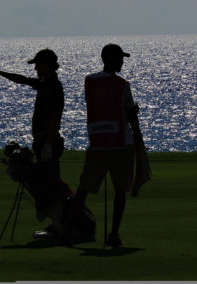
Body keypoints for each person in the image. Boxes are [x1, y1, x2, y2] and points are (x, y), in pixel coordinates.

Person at [63, 43, 146, 247]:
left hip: (98, 142)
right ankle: (114, 235)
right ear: (110, 59)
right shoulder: (122, 84)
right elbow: (128, 111)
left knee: (83, 190)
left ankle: (67, 232)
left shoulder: (89, 81)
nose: (122, 62)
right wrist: (134, 114)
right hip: (120, 142)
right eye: (119, 58)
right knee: (120, 190)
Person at [0, 48, 65, 207]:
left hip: (48, 141)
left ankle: (59, 217)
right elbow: (22, 79)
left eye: (37, 65)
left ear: (46, 65)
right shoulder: (44, 84)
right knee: (46, 183)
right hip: (43, 141)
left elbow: (55, 117)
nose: (35, 69)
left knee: (50, 184)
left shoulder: (53, 87)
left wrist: (48, 144)